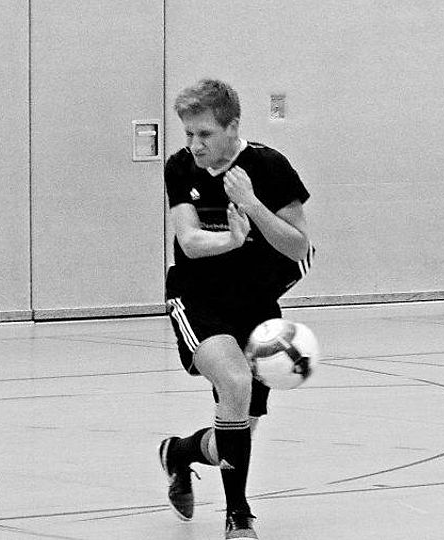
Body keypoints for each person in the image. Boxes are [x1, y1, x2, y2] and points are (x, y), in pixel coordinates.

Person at [159, 78, 314, 539]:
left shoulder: (269, 166)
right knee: (235, 380)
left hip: (256, 304)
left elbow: (298, 246)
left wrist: (251, 205)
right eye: (189, 134)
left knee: (239, 429)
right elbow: (189, 241)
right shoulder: (180, 168)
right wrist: (231, 238)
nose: (195, 145)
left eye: (204, 134)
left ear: (232, 127)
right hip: (197, 298)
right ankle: (238, 516)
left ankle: (180, 452)